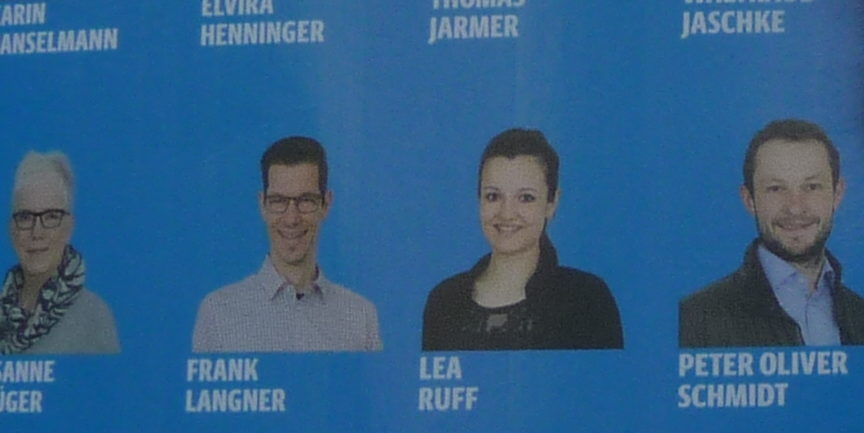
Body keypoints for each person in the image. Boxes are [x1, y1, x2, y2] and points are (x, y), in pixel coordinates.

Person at [680, 119, 864, 348]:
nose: (795, 207)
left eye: (811, 187)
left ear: (837, 194)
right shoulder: (694, 320)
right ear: (749, 200)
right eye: (776, 188)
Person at [420, 128, 622, 350]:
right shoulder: (444, 301)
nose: (507, 213)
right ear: (479, 199)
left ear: (552, 203)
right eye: (493, 196)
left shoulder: (586, 299)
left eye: (526, 198)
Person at [193, 137, 381, 352]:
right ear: (262, 205)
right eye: (279, 201)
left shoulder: (360, 315)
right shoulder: (218, 313)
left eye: (306, 200)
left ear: (326, 204)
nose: (291, 218)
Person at [0, 152, 119, 356]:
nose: (37, 232)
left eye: (51, 217)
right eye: (25, 217)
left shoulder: (93, 315)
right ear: (11, 229)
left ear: (69, 228)